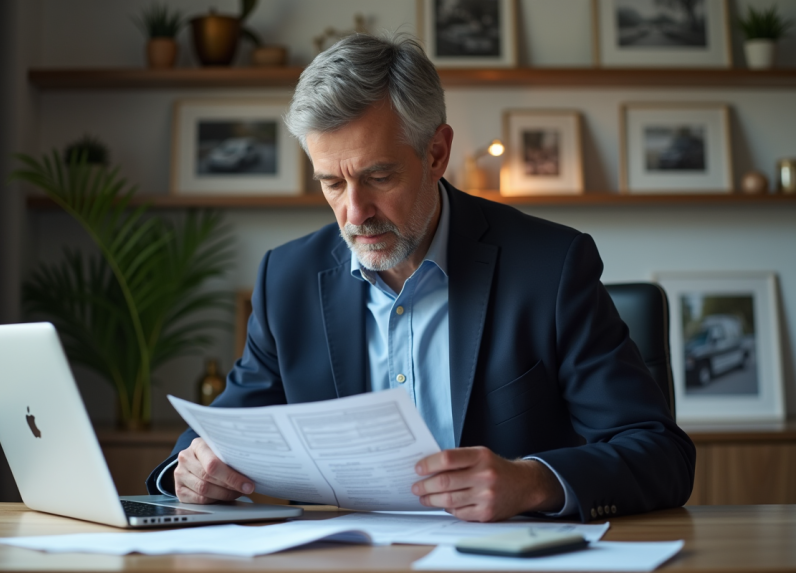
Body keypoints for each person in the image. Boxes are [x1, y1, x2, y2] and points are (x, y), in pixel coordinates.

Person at [146, 33, 695, 522]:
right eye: (331, 184)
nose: (355, 213)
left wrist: (533, 483)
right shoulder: (286, 279)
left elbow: (659, 452)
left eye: (377, 176)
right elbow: (217, 437)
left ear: (436, 153)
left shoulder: (551, 266)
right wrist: (187, 470)